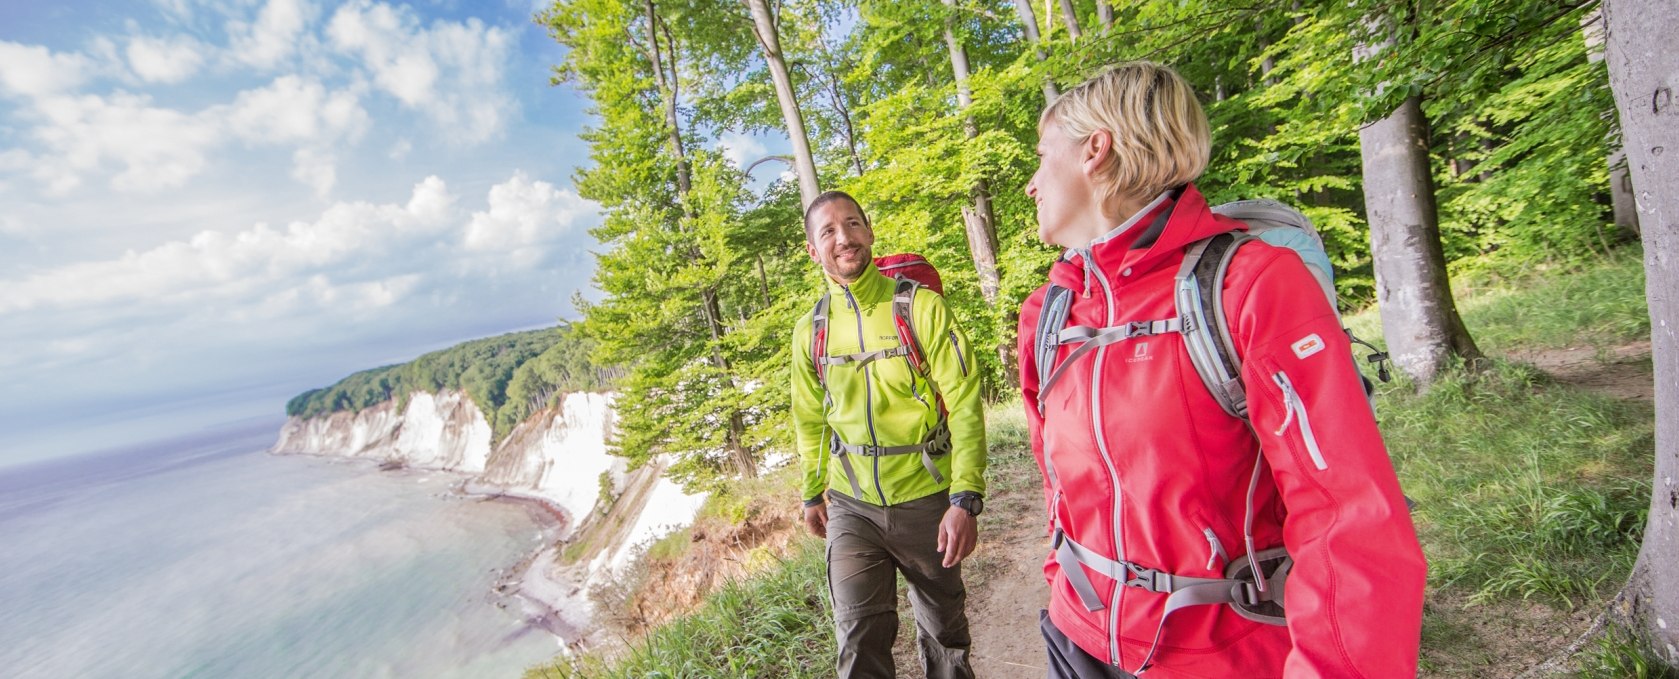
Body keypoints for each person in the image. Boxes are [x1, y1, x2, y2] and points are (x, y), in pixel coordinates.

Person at [1017, 61, 1426, 678]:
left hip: (1221, 655)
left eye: (1043, 155)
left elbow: (1348, 518)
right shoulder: (1049, 312)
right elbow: (1055, 475)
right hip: (1078, 638)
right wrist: (1061, 581)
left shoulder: (1250, 284)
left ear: (1095, 151)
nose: (1030, 184)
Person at [791, 190, 989, 679]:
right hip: (851, 504)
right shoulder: (810, 330)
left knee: (945, 637)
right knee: (858, 641)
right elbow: (810, 417)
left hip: (926, 500)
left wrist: (965, 497)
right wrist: (813, 490)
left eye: (853, 224)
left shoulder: (920, 308)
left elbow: (964, 402)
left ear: (870, 231)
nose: (844, 238)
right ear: (814, 250)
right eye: (829, 231)